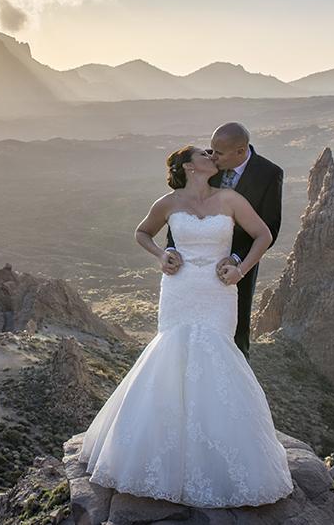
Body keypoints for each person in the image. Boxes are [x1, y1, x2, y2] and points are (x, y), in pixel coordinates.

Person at [77, 145, 295, 508]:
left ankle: (216, 454)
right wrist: (162, 255)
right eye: (204, 153)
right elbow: (142, 232)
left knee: (217, 356)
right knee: (172, 356)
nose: (212, 155)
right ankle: (163, 455)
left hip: (217, 290)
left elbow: (263, 235)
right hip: (179, 289)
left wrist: (239, 270)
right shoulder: (168, 202)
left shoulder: (230, 198)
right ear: (188, 166)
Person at [164, 122, 282, 358]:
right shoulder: (207, 166)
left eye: (219, 153)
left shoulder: (269, 173)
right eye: (210, 150)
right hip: (191, 268)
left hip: (238, 265)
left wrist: (237, 260)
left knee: (234, 337)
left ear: (240, 151)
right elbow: (180, 210)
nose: (212, 156)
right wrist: (170, 249)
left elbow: (269, 227)